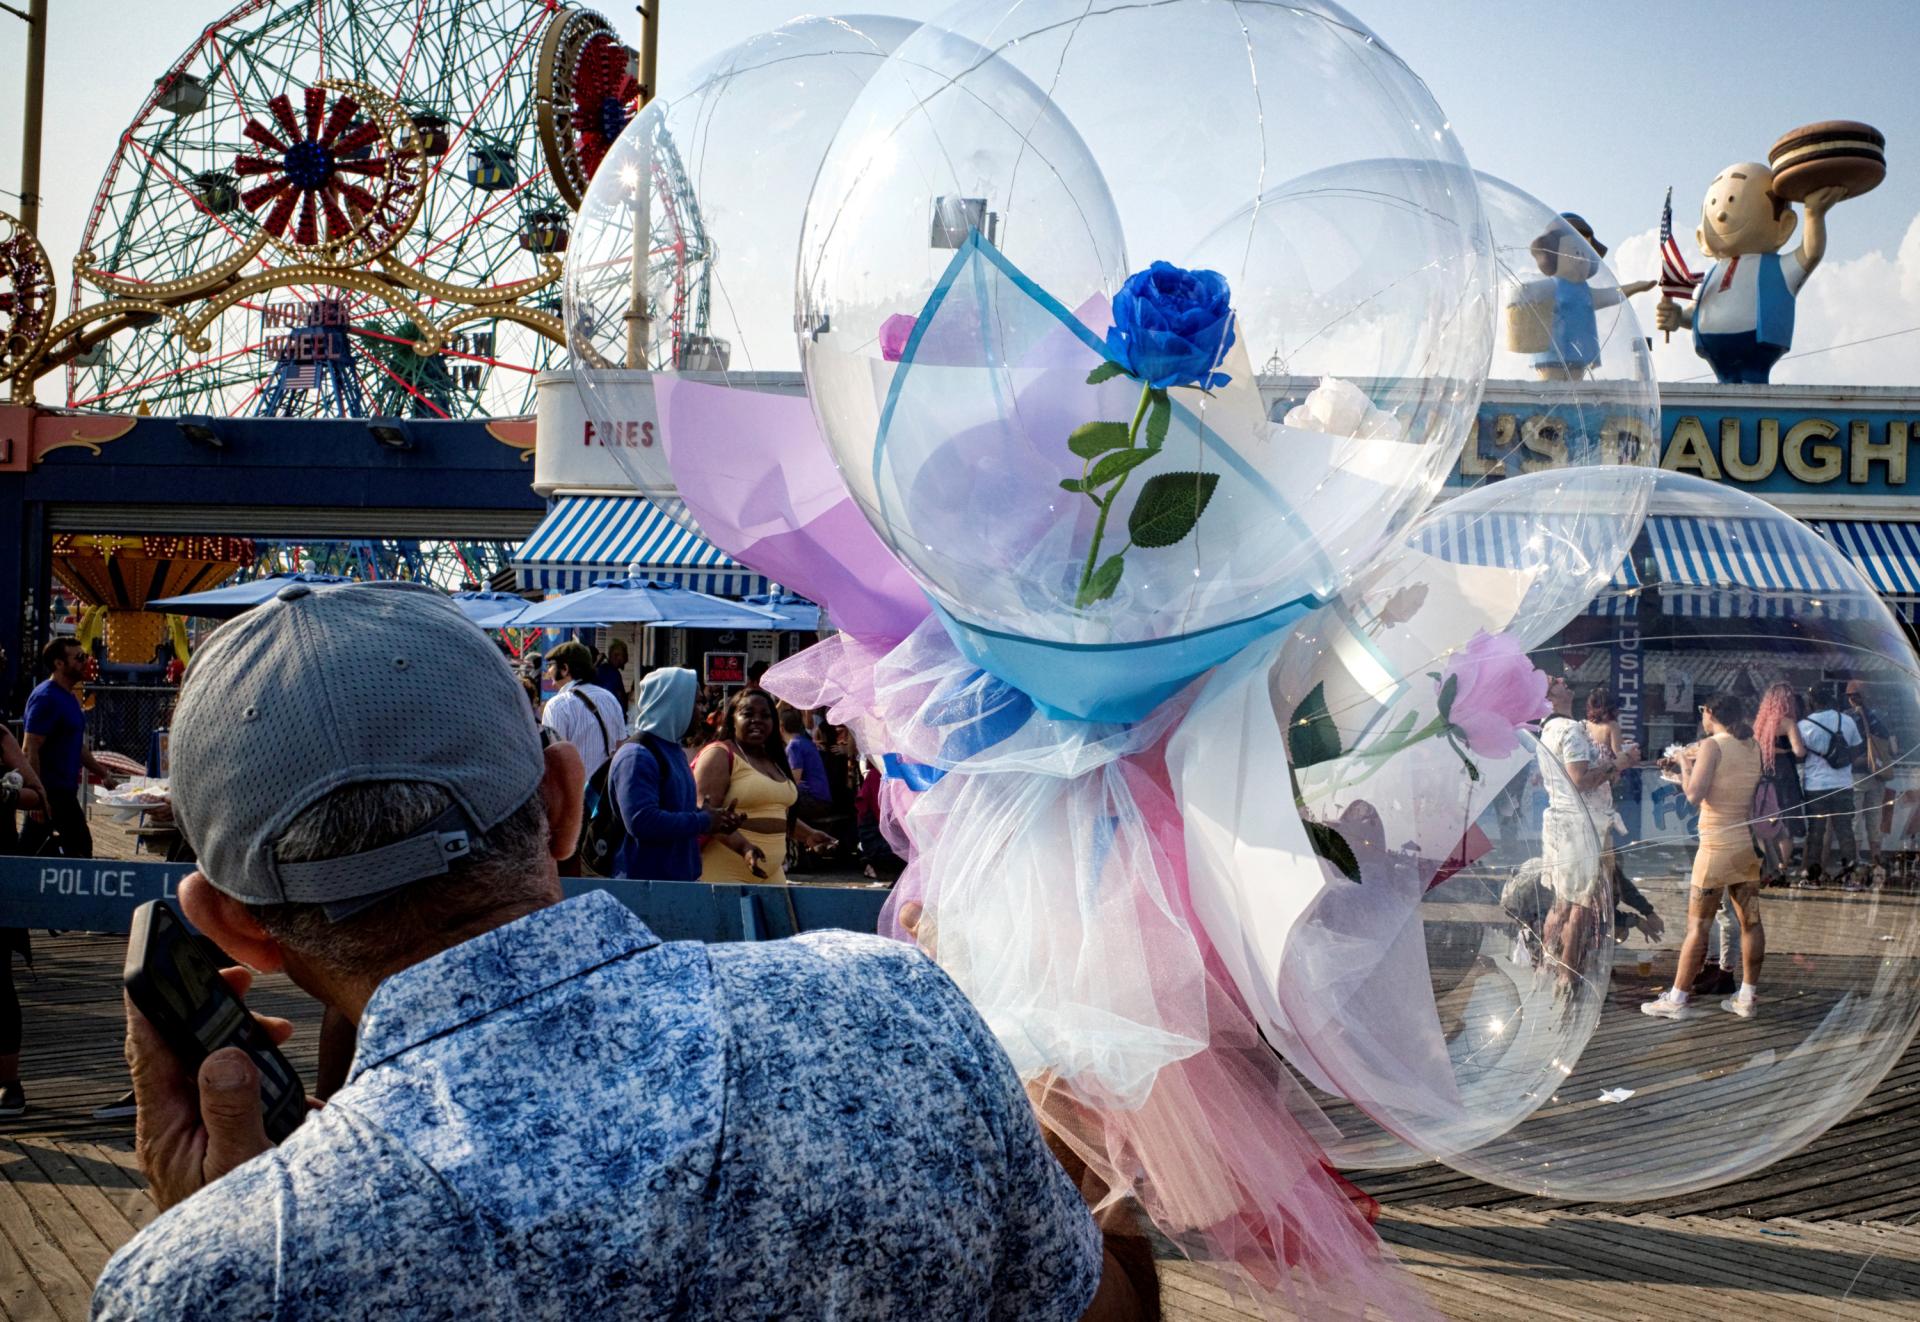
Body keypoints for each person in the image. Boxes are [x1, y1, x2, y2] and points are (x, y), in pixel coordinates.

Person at [92, 580, 1148, 1320]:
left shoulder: (209, 1280)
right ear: (560, 801)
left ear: (232, 920)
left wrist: (238, 1242)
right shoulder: (895, 1003)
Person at [1653, 163, 1846, 384]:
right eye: (1715, 204)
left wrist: (1813, 215)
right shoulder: (1710, 276)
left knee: (1751, 391)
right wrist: (1679, 317)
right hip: (1714, 352)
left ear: (1784, 226)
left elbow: (1810, 254)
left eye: (1732, 201)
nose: (1722, 214)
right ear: (1702, 239)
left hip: (1757, 346)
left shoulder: (1776, 269)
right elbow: (1699, 310)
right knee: (1724, 395)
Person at [1643, 693, 1767, 1020]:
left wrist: (1684, 764)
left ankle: (1678, 999)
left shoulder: (1712, 746)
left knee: (1698, 926)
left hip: (1713, 850)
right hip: (1743, 847)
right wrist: (1688, 764)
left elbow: (1695, 795)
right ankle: (1748, 997)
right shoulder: (1752, 746)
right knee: (1750, 922)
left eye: (1703, 711)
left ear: (1710, 713)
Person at [1535, 670, 1638, 989]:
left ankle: (1545, 965)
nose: (1565, 683)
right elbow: (1579, 780)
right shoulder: (1570, 729)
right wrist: (1620, 762)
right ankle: (1567, 973)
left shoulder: (1548, 727)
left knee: (1562, 902)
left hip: (1559, 822)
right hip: (1580, 824)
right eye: (1557, 683)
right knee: (1579, 903)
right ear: (1550, 697)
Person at [609, 668, 743, 882]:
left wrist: (712, 817)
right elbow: (641, 821)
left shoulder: (672, 750)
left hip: (678, 884)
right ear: (676, 703)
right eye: (697, 703)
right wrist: (702, 821)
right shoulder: (637, 756)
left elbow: (671, 808)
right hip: (645, 888)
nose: (702, 710)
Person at [694, 687, 835, 884]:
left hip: (773, 872)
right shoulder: (719, 754)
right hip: (726, 869)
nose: (757, 720)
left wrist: (808, 835)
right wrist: (744, 848)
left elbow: (774, 813)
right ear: (732, 719)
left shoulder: (774, 759)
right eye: (748, 714)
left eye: (765, 715)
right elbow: (703, 814)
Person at [18, 637, 122, 860]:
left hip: (64, 791)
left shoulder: (69, 697)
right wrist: (37, 795)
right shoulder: (46, 698)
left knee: (34, 848)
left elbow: (77, 746)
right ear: (59, 663)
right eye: (79, 657)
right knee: (78, 846)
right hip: (50, 791)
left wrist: (103, 773)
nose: (85, 662)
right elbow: (29, 748)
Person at [0, 704, 47, 1121]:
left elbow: (38, 796)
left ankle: (10, 1083)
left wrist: (6, 793)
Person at [1799, 685, 1864, 889]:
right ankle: (1850, 878)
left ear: (1812, 702)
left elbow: (1799, 755)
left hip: (1815, 786)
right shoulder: (1846, 720)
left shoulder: (1803, 725)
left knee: (1816, 832)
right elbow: (1856, 750)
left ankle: (1813, 878)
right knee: (1845, 830)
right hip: (1843, 784)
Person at [538, 640, 626, 779]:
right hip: (605, 794)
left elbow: (553, 761)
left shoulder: (558, 705)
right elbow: (621, 747)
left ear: (565, 669)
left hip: (574, 797)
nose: (548, 672)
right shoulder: (610, 699)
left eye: (550, 666)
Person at [1845, 679, 1898, 885]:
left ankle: (1856, 864)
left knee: (1856, 819)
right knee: (1874, 819)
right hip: (1880, 774)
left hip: (1858, 773)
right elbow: (1894, 749)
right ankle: (1877, 865)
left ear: (1851, 698)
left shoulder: (1848, 718)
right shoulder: (1883, 716)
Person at [781, 705, 834, 824]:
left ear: (781, 727)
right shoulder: (804, 741)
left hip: (815, 800)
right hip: (822, 799)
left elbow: (794, 780)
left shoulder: (794, 746)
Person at [594, 639, 632, 712]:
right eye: (624, 655)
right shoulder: (610, 673)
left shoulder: (609, 671)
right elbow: (617, 696)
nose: (626, 659)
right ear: (616, 655)